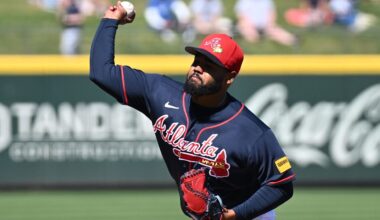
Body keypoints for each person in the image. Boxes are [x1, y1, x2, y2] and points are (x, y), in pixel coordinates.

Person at [89, 1, 295, 219]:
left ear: (230, 77)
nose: (198, 67)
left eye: (209, 65)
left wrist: (233, 215)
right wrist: (111, 20)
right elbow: (101, 73)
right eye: (197, 60)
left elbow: (282, 183)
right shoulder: (159, 93)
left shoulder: (251, 132)